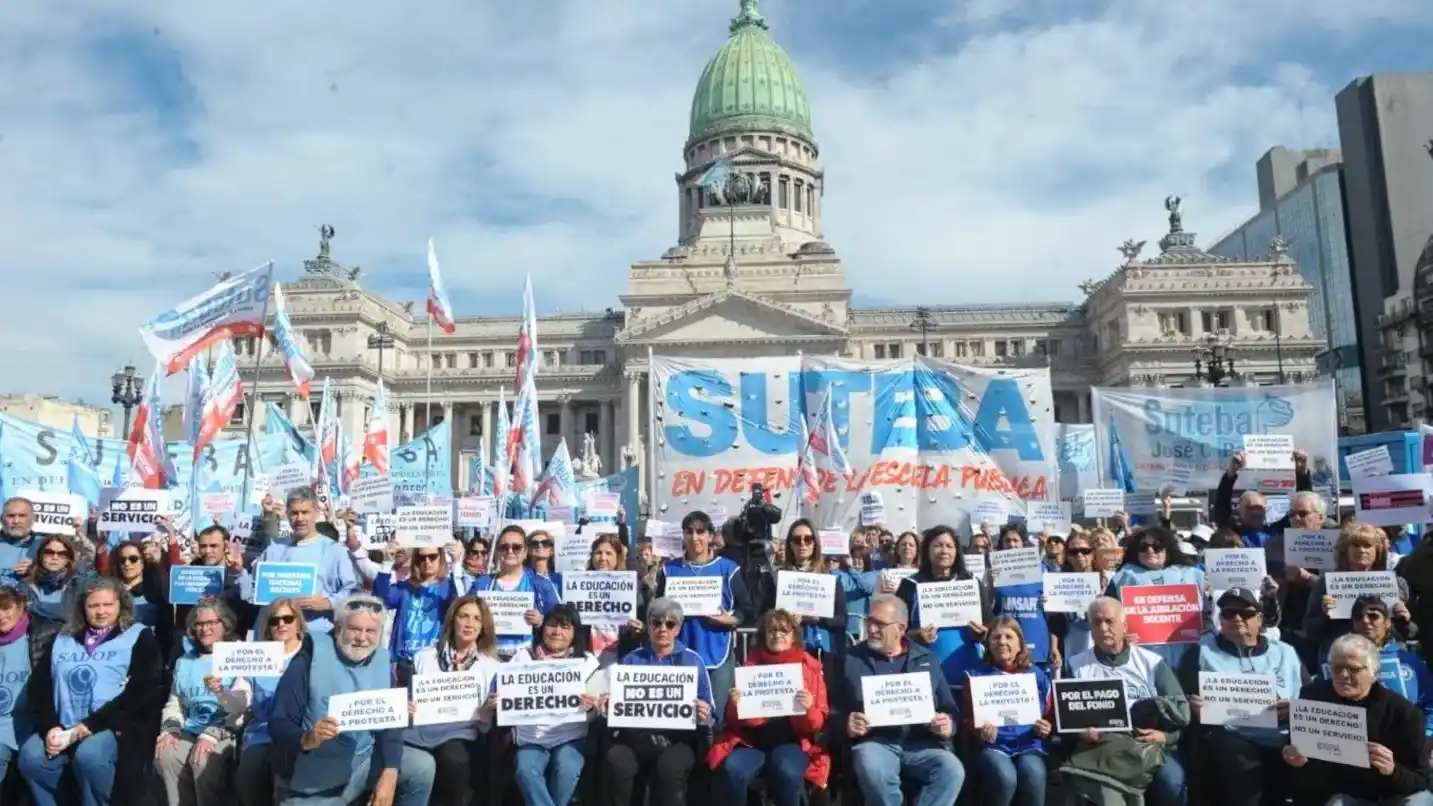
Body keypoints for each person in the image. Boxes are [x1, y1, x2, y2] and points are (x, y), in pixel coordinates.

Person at [268, 594, 435, 806]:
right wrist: (307, 738)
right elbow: (279, 723)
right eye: (355, 629)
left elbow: (389, 726)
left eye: (370, 631)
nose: (362, 638)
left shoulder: (382, 660)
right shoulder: (309, 657)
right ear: (338, 628)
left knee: (422, 767)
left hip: (361, 764)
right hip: (312, 776)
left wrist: (390, 773)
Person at [18, 575, 166, 806]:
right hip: (63, 724)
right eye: (93, 605)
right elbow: (41, 686)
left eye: (108, 604)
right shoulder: (62, 638)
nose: (101, 611)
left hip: (110, 726)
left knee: (90, 756)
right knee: (32, 757)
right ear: (82, 608)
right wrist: (49, 727)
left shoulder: (138, 635)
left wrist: (90, 726)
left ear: (120, 605)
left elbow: (143, 689)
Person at [837, 593, 965, 806]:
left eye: (880, 624)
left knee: (952, 770)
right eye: (870, 622)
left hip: (921, 742)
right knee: (872, 767)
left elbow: (949, 707)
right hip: (876, 741)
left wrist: (948, 724)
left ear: (901, 629)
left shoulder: (927, 659)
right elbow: (832, 709)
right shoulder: (850, 659)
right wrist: (846, 723)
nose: (871, 629)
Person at [1180, 588, 1305, 806]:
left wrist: (1297, 708)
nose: (1237, 618)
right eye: (1229, 613)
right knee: (1237, 757)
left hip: (1284, 734)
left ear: (1259, 619)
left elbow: (1311, 697)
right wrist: (1195, 709)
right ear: (1221, 619)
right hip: (1232, 736)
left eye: (1245, 613)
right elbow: (1184, 696)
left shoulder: (1286, 653)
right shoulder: (1201, 652)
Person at [1063, 597, 1191, 806]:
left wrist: (1164, 737)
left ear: (1124, 626)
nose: (1103, 628)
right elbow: (1065, 718)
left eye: (1109, 621)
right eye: (1096, 622)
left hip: (1147, 744)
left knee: (1172, 781)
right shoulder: (1076, 666)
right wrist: (1079, 731)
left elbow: (1179, 710)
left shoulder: (1151, 663)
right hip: (1101, 746)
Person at [1282, 633, 1433, 806]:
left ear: (1374, 673)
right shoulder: (1312, 698)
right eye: (1337, 668)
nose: (1344, 675)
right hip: (1342, 793)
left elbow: (1420, 779)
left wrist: (1393, 770)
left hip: (1391, 792)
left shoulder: (1404, 713)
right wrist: (1297, 761)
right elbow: (1301, 764)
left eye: (1353, 669)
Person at [708, 608, 830, 806]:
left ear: (794, 636)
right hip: (752, 741)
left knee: (787, 771)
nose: (778, 635)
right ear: (764, 636)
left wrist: (809, 709)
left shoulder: (810, 667)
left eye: (784, 630)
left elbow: (817, 724)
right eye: (772, 631)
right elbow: (732, 720)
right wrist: (735, 705)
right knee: (733, 770)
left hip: (793, 741)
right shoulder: (750, 667)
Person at [602, 597, 715, 806]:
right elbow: (615, 703)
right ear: (649, 626)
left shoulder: (692, 660)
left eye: (670, 624)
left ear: (678, 629)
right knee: (618, 762)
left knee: (669, 769)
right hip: (637, 736)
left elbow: (712, 713)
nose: (662, 628)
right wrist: (608, 706)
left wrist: (704, 714)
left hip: (679, 739)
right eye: (656, 623)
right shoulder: (631, 660)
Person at [404, 595, 500, 806]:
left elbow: (485, 728)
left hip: (460, 733)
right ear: (452, 620)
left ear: (483, 626)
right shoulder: (423, 657)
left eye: (476, 618)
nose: (469, 623)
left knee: (454, 759)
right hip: (420, 731)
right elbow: (409, 702)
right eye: (464, 616)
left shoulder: (491, 667)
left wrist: (487, 712)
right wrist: (407, 707)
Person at [656, 510, 748, 724]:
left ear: (710, 536)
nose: (695, 537)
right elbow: (657, 609)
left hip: (717, 653)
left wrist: (731, 620)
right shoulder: (669, 570)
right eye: (689, 532)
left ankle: (714, 757)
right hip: (679, 652)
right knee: (682, 717)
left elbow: (747, 609)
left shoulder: (728, 569)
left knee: (716, 719)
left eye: (700, 532)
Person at [509, 604, 603, 806]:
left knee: (567, 770)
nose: (557, 632)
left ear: (574, 633)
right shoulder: (522, 657)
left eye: (565, 627)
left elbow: (596, 710)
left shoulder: (587, 662)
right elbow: (507, 696)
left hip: (570, 738)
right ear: (543, 628)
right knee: (525, 769)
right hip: (530, 738)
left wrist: (590, 707)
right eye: (552, 625)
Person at [157, 597, 248, 806]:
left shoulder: (240, 654)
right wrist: (170, 730)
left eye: (211, 623)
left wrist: (213, 732)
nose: (204, 629)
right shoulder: (185, 661)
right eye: (199, 624)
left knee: (202, 759)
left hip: (227, 728)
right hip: (191, 727)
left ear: (225, 625)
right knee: (167, 755)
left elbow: (242, 707)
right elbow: (175, 702)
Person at [244, 488, 362, 634]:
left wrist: (328, 603)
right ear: (287, 514)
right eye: (294, 513)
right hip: (273, 634)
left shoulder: (334, 550)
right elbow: (252, 590)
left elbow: (352, 591)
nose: (299, 518)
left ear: (316, 513)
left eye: (305, 512)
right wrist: (237, 572)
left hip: (313, 634)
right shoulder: (274, 549)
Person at [964, 616, 1052, 806]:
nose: (1002, 642)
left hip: (1029, 742)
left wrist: (1046, 727)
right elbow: (967, 717)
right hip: (994, 745)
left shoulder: (1037, 675)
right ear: (989, 644)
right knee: (1005, 777)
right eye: (996, 638)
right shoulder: (976, 676)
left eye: (1008, 637)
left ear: (1020, 644)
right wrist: (980, 731)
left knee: (1034, 774)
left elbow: (1049, 714)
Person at [895, 526, 992, 685]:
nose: (944, 551)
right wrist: (915, 636)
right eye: (937, 545)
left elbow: (990, 624)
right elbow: (895, 630)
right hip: (923, 673)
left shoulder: (972, 583)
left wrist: (982, 634)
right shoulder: (910, 585)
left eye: (949, 546)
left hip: (968, 670)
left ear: (957, 551)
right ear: (927, 550)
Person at [234, 598, 307, 806]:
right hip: (262, 731)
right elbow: (241, 700)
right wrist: (221, 691)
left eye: (287, 619)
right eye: (275, 621)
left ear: (298, 623)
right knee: (249, 774)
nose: (281, 624)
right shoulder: (257, 654)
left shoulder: (309, 655)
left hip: (297, 731)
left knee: (285, 775)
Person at [1306, 521, 1414, 658]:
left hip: (1386, 657)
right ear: (1345, 550)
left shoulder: (1397, 583)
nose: (1362, 550)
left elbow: (1411, 632)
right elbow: (1310, 631)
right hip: (1342, 657)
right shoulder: (1325, 584)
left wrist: (1404, 620)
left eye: (1367, 546)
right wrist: (1324, 615)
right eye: (1356, 545)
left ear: (1378, 551)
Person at [1334, 595, 1433, 734]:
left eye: (1373, 616)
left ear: (1387, 623)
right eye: (1358, 617)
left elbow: (1430, 704)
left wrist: (1428, 736)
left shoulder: (1412, 662)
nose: (1365, 621)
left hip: (1405, 745)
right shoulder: (1335, 662)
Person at [374, 545, 459, 685]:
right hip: (405, 661)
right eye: (422, 557)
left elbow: (461, 603)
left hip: (435, 661)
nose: (427, 561)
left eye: (432, 557)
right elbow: (379, 601)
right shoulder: (406, 587)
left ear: (441, 558)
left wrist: (456, 563)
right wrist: (387, 563)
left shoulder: (448, 588)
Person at [474, 525, 561, 659]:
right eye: (504, 547)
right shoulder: (481, 585)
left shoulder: (542, 586)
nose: (510, 551)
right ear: (497, 552)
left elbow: (561, 623)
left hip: (527, 657)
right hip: (488, 655)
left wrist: (540, 621)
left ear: (526, 552)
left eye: (516, 547)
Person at [0, 586, 30, 782]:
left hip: (29, 727)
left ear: (20, 607)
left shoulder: (39, 638)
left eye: (6, 608)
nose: (1, 616)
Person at [0, 498, 39, 580]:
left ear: (33, 519)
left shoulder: (45, 545)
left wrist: (36, 570)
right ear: (2, 519)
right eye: (11, 516)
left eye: (22, 516)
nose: (16, 521)